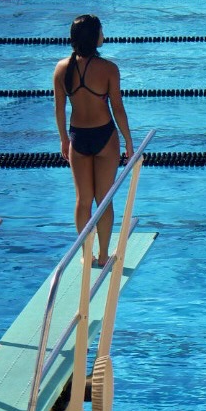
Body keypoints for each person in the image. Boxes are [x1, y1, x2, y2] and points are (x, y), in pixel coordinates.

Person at [53, 14, 132, 265]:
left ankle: (86, 256)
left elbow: (58, 109)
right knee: (104, 199)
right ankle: (103, 255)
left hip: (77, 136)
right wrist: (129, 141)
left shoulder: (61, 68)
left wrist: (64, 140)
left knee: (83, 200)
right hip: (105, 137)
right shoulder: (109, 69)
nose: (104, 35)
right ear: (93, 36)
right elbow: (117, 108)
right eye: (101, 30)